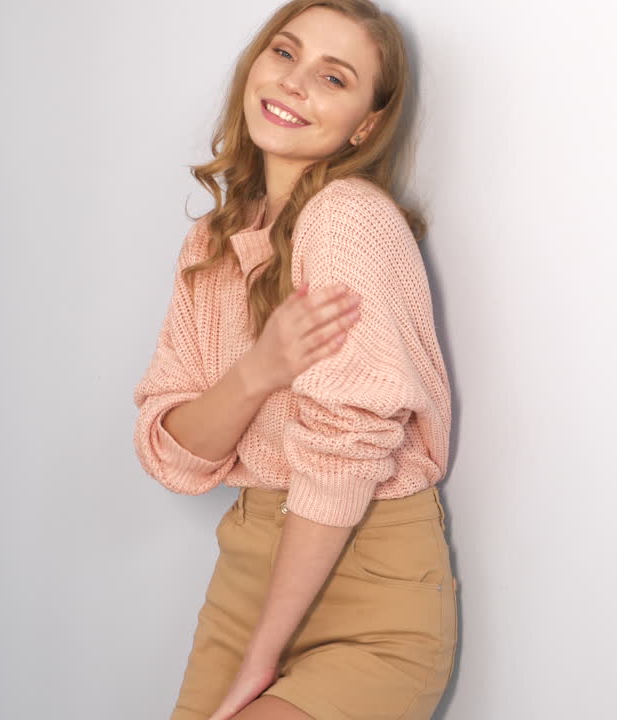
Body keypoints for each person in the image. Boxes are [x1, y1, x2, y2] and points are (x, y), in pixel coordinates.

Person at [131, 2, 455, 718]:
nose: (294, 83)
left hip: (365, 583)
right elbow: (173, 454)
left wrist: (259, 660)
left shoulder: (346, 218)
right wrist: (258, 371)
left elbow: (344, 453)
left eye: (333, 77)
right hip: (248, 574)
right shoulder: (213, 244)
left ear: (366, 124)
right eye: (284, 53)